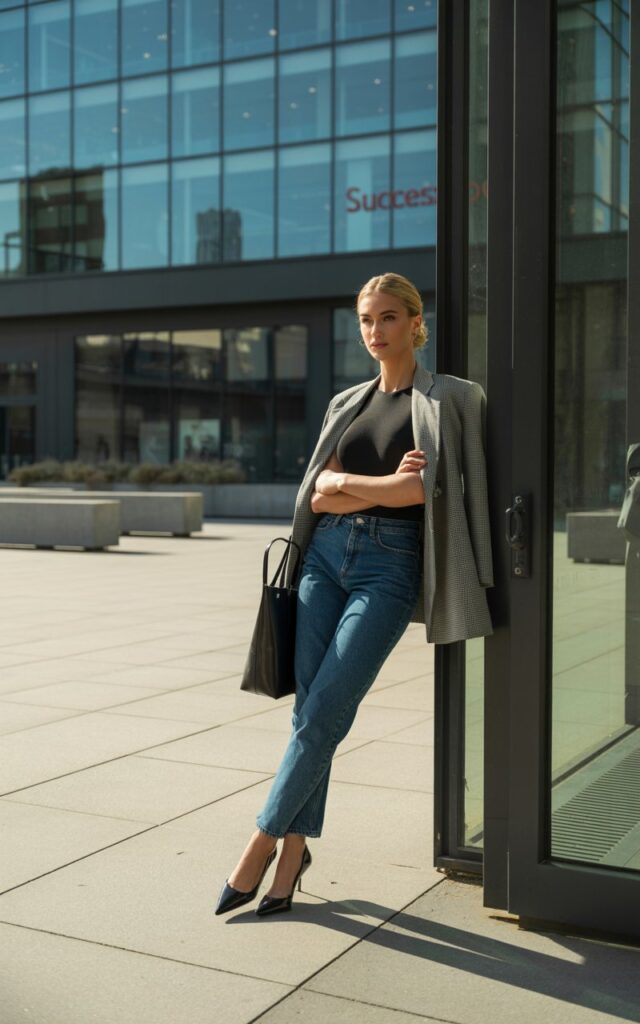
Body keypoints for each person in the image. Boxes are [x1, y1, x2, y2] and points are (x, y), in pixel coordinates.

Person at [215, 272, 493, 918]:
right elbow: (317, 495)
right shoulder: (347, 402)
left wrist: (348, 485)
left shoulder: (447, 397)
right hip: (324, 560)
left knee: (326, 709)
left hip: (390, 569)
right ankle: (291, 860)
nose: (375, 330)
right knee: (309, 710)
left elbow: (421, 492)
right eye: (367, 319)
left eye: (388, 317)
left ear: (416, 323)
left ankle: (259, 843)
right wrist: (368, 486)